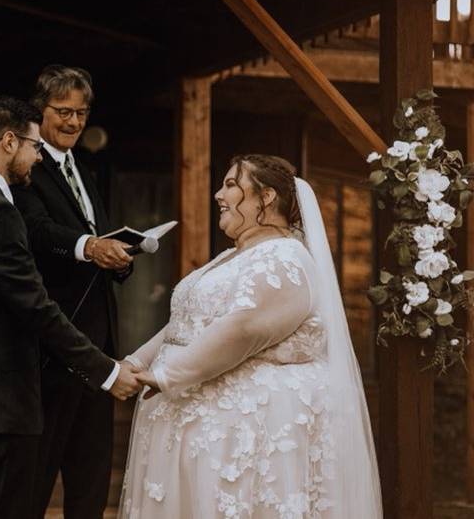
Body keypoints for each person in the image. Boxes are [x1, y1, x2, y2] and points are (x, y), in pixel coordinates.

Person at [120, 154, 382, 518]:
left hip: (239, 439)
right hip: (197, 429)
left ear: (266, 197)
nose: (217, 194)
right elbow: (186, 321)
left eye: (230, 184)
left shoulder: (285, 259)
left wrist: (167, 375)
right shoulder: (232, 257)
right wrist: (136, 361)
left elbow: (243, 328)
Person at [0, 96, 140, 519]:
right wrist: (106, 371)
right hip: (2, 403)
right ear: (9, 142)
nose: (36, 157)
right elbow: (36, 308)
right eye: (33, 146)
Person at [12, 65, 133, 519]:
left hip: (98, 349)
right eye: (63, 111)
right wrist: (89, 247)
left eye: (81, 113)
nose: (74, 122)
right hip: (53, 349)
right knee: (39, 474)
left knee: (91, 476)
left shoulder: (84, 169)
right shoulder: (25, 166)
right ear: (40, 110)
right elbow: (37, 230)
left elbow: (98, 235)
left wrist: (120, 258)